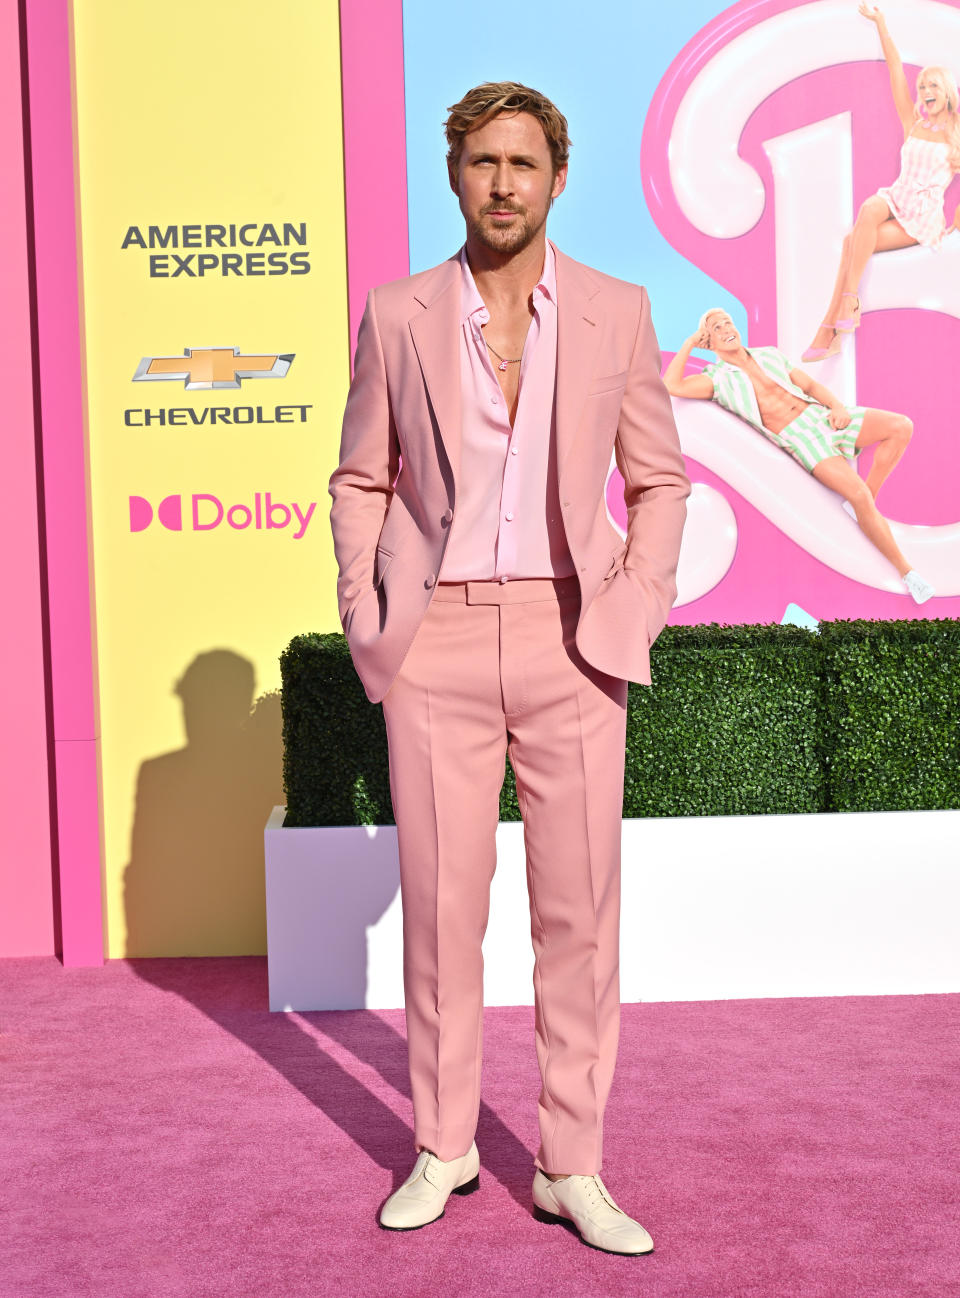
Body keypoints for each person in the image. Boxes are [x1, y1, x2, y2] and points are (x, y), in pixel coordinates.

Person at [328, 82, 689, 1253]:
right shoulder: (396, 314)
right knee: (441, 913)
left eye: (523, 163)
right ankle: (444, 1146)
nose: (502, 183)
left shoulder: (617, 310)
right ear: (455, 174)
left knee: (578, 915)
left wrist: (632, 607)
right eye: (482, 161)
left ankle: (571, 1163)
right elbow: (360, 479)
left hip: (572, 636)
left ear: (558, 176)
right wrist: (367, 609)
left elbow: (659, 479)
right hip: (433, 642)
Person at [665, 308, 934, 603]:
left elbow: (809, 385)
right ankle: (909, 573)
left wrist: (837, 407)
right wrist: (690, 342)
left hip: (821, 417)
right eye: (717, 327)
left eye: (728, 322)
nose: (727, 328)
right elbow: (672, 385)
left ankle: (868, 503)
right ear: (709, 342)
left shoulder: (768, 354)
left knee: (900, 427)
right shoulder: (716, 379)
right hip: (801, 438)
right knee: (857, 495)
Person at [803, 2, 960, 362]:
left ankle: (828, 329)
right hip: (896, 197)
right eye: (923, 86)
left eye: (932, 84)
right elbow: (894, 68)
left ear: (947, 91)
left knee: (849, 243)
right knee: (870, 207)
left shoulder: (957, 134)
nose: (924, 90)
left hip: (922, 217)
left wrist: (955, 222)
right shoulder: (914, 123)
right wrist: (881, 23)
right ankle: (848, 305)